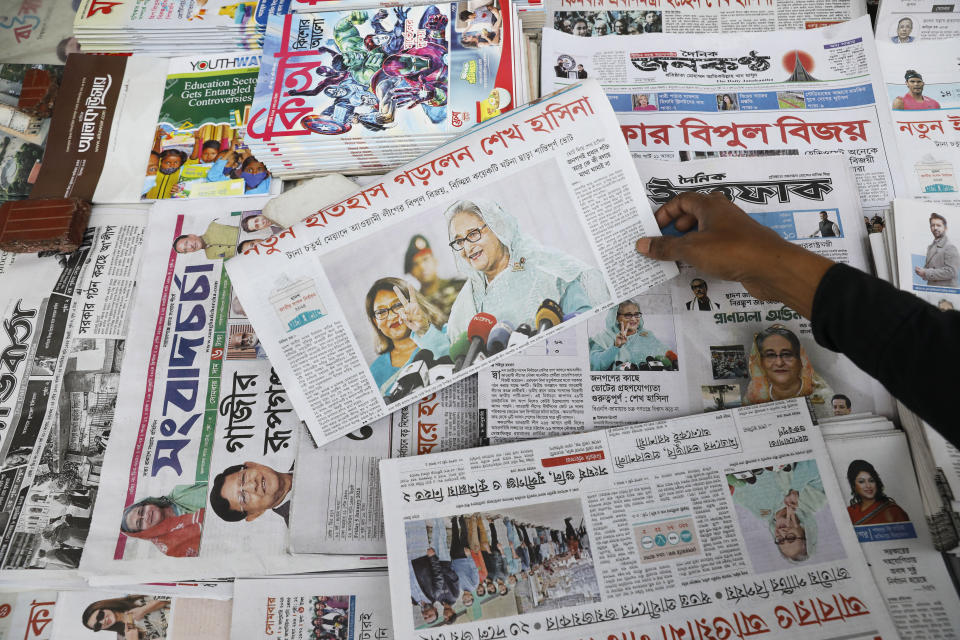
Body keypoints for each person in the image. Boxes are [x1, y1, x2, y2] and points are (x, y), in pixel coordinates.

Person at [633, 191, 958, 437]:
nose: (779, 361)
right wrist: (774, 269)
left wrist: (774, 266)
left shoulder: (831, 401)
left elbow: (928, 355)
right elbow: (932, 353)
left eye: (785, 353)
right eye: (771, 354)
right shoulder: (743, 397)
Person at [441, 199, 609, 343]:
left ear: (498, 227)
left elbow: (589, 327)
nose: (467, 247)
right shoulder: (466, 299)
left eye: (473, 234)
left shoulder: (548, 270)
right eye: (459, 241)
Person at [365, 277, 449, 397]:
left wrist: (424, 330)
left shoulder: (446, 333)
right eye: (381, 312)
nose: (391, 316)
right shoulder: (375, 370)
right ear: (375, 321)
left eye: (398, 305)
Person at [729, 461, 825, 562]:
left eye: (780, 540)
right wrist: (795, 489)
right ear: (805, 532)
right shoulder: (815, 501)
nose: (782, 534)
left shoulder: (763, 514)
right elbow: (813, 464)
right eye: (791, 538)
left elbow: (735, 493)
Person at [745, 324, 834, 418]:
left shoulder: (824, 400)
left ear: (800, 359)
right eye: (770, 355)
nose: (779, 363)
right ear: (760, 362)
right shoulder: (752, 399)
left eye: (787, 354)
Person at [120, 482, 207, 557]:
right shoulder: (171, 546)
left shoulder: (179, 492)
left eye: (141, 511)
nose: (145, 516)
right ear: (144, 532)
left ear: (147, 503)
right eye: (140, 523)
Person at [589, 300, 671, 370]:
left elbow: (666, 354)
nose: (633, 319)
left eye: (636, 314)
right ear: (616, 317)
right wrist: (615, 347)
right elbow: (596, 365)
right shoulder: (603, 337)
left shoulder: (647, 335)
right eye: (628, 315)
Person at [209, 461, 293, 525]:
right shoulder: (298, 526)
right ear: (255, 514)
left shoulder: (304, 445)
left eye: (243, 479)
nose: (253, 485)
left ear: (253, 465)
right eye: (243, 497)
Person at [404, 235, 465, 315]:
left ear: (435, 261)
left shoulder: (461, 287)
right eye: (415, 264)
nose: (422, 267)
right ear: (411, 272)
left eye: (425, 259)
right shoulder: (415, 304)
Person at [846, 460, 910, 525]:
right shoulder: (849, 512)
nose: (868, 486)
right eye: (861, 481)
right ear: (853, 486)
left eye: (871, 480)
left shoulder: (893, 511)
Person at [81, 595, 170, 639]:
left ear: (103, 607)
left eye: (100, 616)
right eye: (98, 626)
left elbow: (171, 592)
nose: (102, 622)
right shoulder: (124, 637)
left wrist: (144, 609)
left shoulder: (132, 597)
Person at [915, 212, 959, 287]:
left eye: (938, 225)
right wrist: (922, 271)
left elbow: (951, 272)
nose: (935, 228)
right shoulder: (931, 247)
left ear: (945, 228)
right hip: (933, 290)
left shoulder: (950, 247)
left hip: (946, 292)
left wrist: (926, 273)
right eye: (933, 225)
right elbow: (929, 269)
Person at [173, 220, 240, 260]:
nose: (190, 247)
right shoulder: (210, 256)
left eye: (186, 243)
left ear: (191, 235)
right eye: (185, 250)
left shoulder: (214, 224)